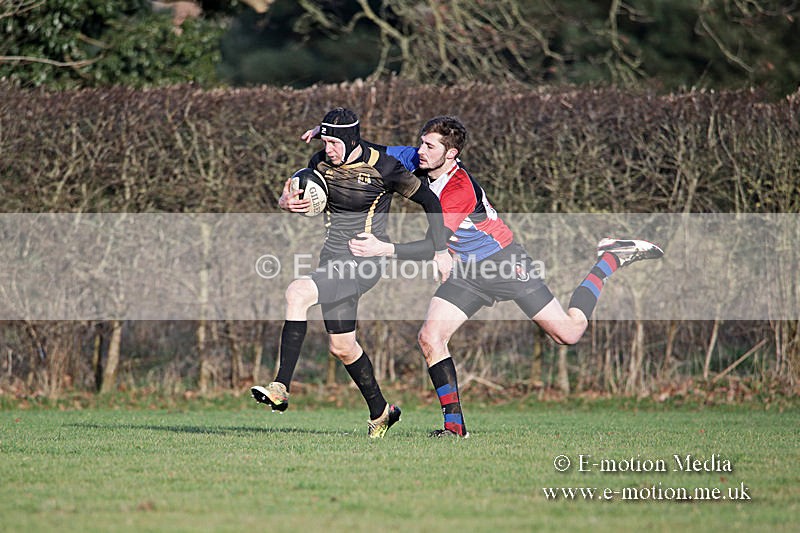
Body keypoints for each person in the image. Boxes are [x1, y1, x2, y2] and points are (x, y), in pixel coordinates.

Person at [344, 116, 664, 438]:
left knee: (569, 333)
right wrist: (336, 135)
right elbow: (372, 151)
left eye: (430, 146)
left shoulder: (458, 189)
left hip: (503, 263)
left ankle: (608, 260)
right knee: (430, 337)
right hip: (467, 272)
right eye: (421, 143)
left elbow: (433, 245)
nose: (420, 150)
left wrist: (383, 249)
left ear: (451, 153)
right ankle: (454, 429)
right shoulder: (419, 159)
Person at [250, 108, 453, 439]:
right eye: (325, 141)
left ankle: (281, 386)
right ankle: (382, 412)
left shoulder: (384, 167)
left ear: (351, 140)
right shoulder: (319, 163)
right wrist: (286, 203)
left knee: (297, 292)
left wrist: (440, 251)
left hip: (364, 261)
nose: (328, 149)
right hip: (331, 259)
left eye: (334, 143)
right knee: (342, 347)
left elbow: (431, 202)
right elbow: (304, 198)